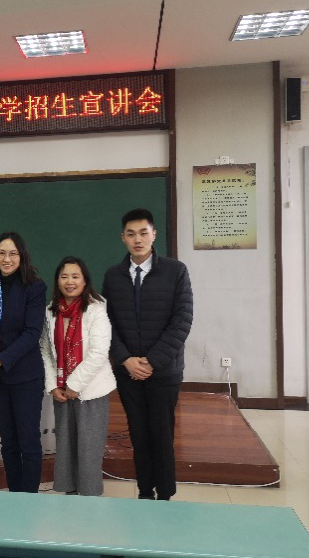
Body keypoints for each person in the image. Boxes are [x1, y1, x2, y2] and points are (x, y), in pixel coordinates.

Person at [101, 209, 193, 501]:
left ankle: (165, 494)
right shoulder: (113, 276)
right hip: (128, 371)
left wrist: (152, 361)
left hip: (164, 371)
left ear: (154, 235)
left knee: (162, 434)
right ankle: (144, 491)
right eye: (131, 234)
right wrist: (125, 359)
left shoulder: (176, 271)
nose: (137, 239)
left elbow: (182, 320)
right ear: (122, 238)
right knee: (137, 433)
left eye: (143, 233)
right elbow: (106, 323)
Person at [41, 256, 115, 496]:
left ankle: (89, 497)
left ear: (85, 281)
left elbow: (99, 352)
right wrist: (53, 386)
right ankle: (69, 494)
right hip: (62, 391)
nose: (69, 282)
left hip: (90, 390)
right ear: (57, 281)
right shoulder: (51, 310)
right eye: (64, 277)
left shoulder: (96, 309)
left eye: (75, 276)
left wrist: (74, 384)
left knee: (88, 448)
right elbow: (45, 350)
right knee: (66, 446)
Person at [0, 232, 47, 493]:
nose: (6, 259)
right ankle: (14, 495)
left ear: (22, 256)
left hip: (26, 376)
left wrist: (2, 359)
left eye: (12, 253)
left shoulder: (35, 287)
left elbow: (32, 332)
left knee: (28, 441)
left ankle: (28, 498)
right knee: (7, 442)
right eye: (1, 253)